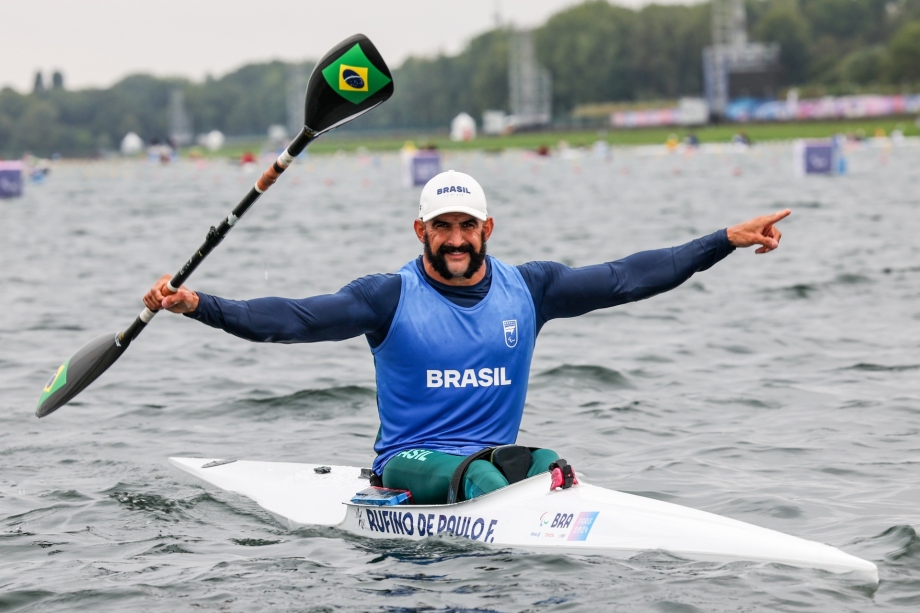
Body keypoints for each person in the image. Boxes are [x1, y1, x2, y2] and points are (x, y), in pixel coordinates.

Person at [144, 170, 789, 504]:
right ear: (419, 230)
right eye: (442, 227)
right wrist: (197, 303)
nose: (456, 239)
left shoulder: (531, 289)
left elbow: (627, 277)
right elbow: (294, 320)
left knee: (551, 468)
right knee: (481, 480)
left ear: (488, 227)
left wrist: (722, 242)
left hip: (492, 465)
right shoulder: (387, 297)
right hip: (408, 465)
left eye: (467, 226)